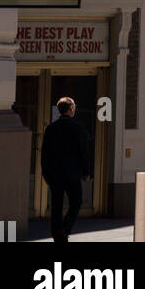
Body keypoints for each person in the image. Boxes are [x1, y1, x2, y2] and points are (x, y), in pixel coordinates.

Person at [41, 97, 90, 246]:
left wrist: (46, 173)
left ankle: (58, 234)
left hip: (55, 174)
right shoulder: (78, 128)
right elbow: (84, 153)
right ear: (70, 110)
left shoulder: (51, 128)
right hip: (72, 174)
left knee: (56, 205)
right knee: (76, 202)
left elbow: (45, 154)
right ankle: (65, 229)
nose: (74, 109)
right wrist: (86, 172)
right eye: (73, 107)